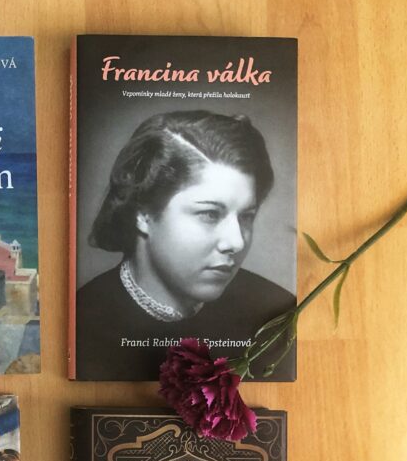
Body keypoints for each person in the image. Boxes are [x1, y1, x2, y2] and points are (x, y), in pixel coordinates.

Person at [75, 110, 294, 380]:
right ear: (143, 213)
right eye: (210, 214)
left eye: (246, 216)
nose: (236, 242)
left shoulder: (276, 314)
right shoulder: (84, 319)